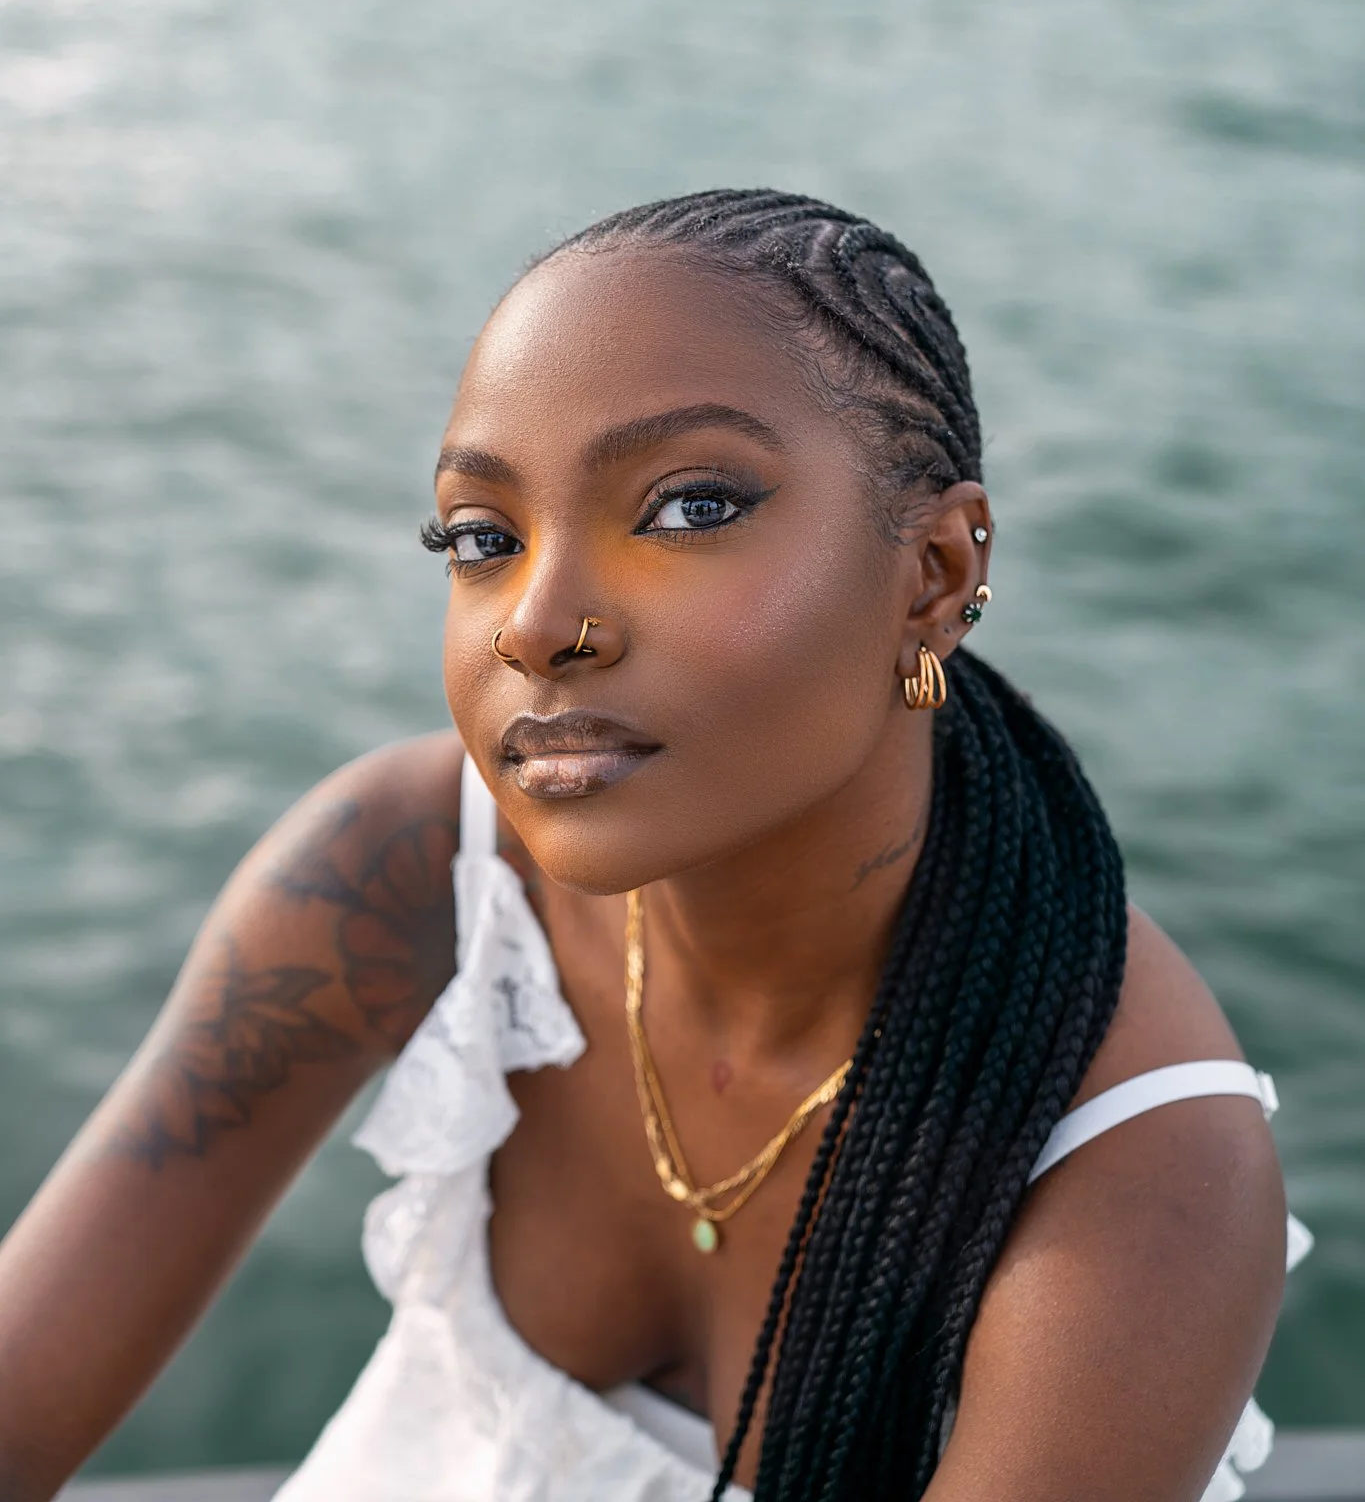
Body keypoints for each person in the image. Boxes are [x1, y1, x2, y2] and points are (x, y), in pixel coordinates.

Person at [0, 190, 1305, 1502]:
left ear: (934, 573)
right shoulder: (403, 874)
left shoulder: (1141, 1172)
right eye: (481, 539)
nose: (536, 622)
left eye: (686, 509)